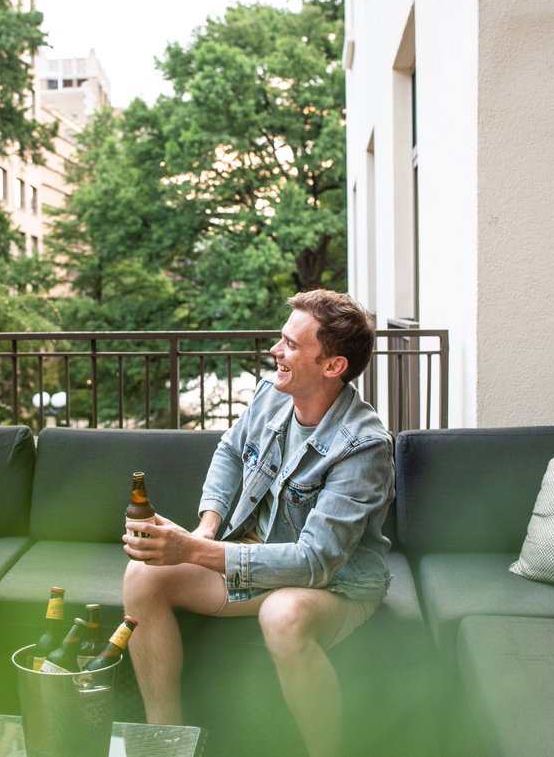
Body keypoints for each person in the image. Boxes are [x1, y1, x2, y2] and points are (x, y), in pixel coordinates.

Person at [122, 289, 394, 757]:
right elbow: (230, 451)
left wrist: (190, 552)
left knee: (282, 614)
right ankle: (165, 740)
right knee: (143, 573)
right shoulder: (273, 395)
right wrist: (205, 530)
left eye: (290, 344)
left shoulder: (364, 445)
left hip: (334, 583)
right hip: (256, 554)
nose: (275, 350)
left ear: (333, 366)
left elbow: (315, 562)